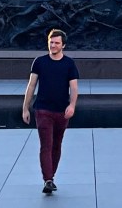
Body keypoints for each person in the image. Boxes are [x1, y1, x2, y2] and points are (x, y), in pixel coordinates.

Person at [22, 29, 79, 195]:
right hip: (43, 110)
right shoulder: (39, 62)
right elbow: (31, 86)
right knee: (46, 145)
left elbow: (74, 87)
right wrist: (25, 107)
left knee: (57, 144)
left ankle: (51, 176)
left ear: (63, 45)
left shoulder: (69, 64)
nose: (53, 46)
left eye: (56, 43)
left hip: (62, 111)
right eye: (51, 42)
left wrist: (72, 105)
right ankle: (48, 179)